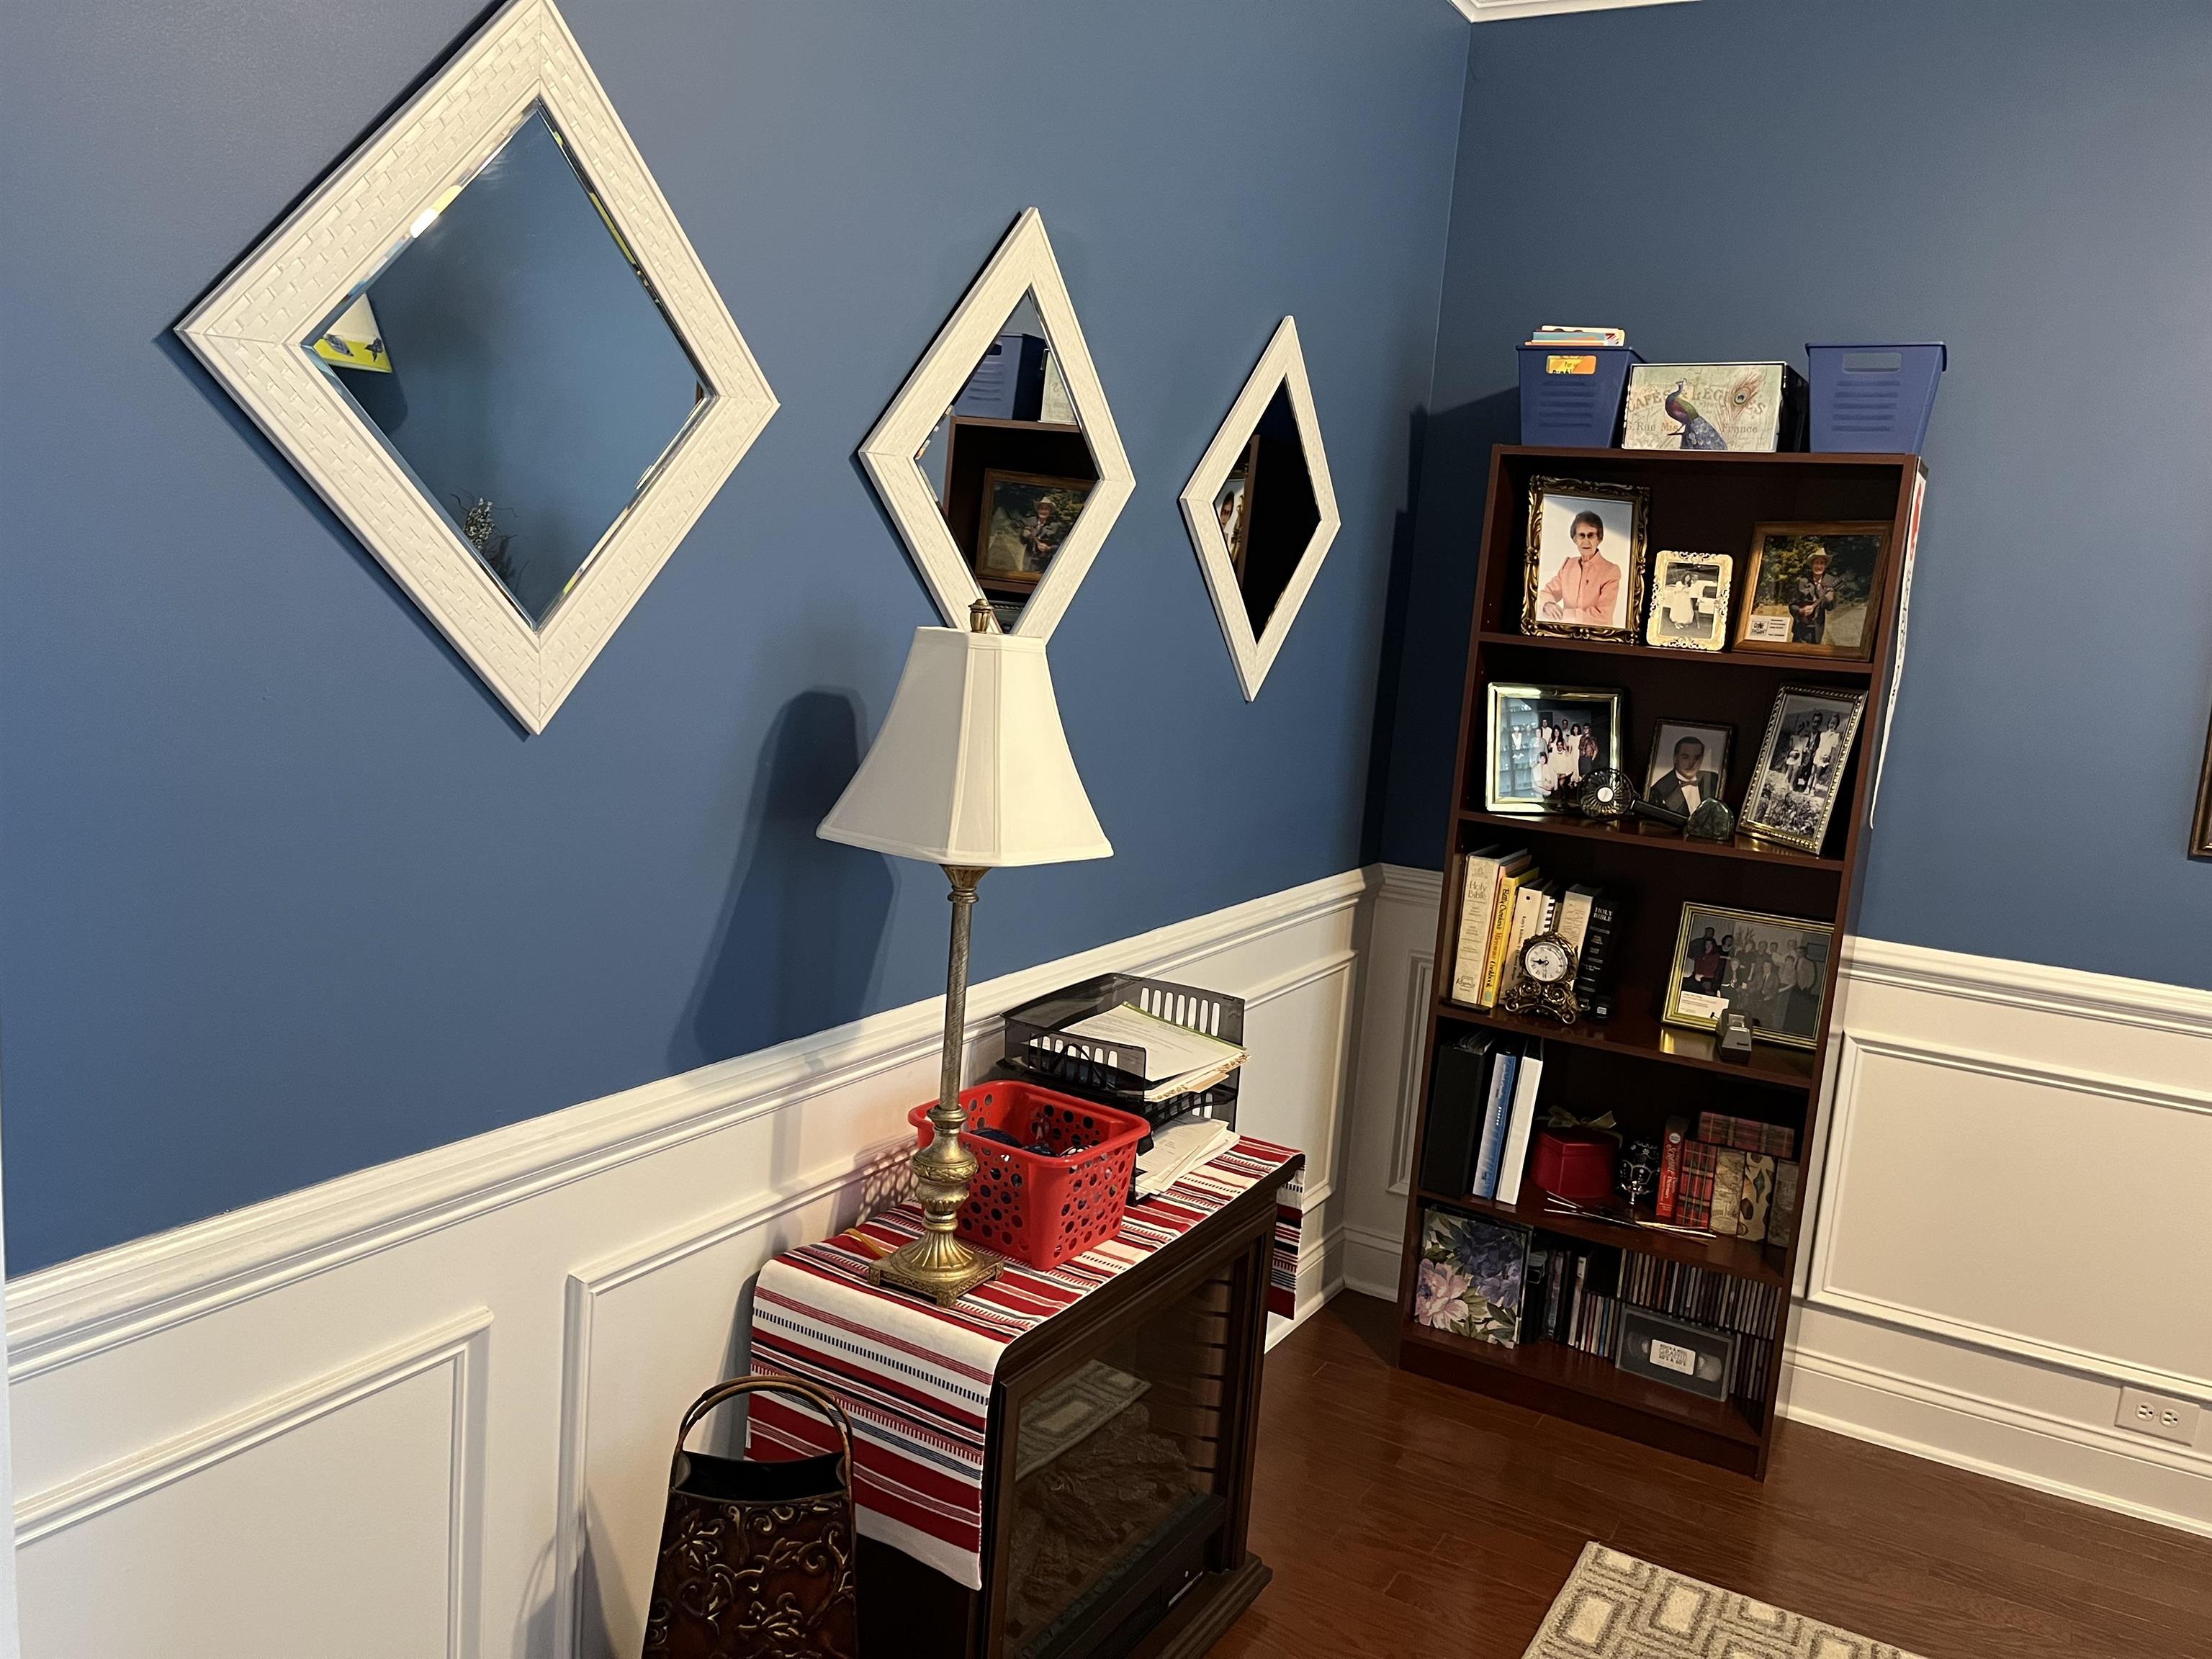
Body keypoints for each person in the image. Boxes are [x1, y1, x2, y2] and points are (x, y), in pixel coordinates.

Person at [1538, 509, 1622, 628]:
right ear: (1575, 539)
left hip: (1596, 639)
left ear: (1599, 539)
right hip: (1565, 634)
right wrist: (1548, 605)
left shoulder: (1611, 571)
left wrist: (1565, 616)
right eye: (1581, 536)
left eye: (1591, 536)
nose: (1586, 541)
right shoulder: (1568, 565)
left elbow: (1603, 616)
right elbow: (1547, 592)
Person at [1648, 734, 1721, 815]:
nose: (1691, 764)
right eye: (1685, 757)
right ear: (1675, 758)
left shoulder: (1713, 779)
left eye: (1696, 758)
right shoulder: (1659, 790)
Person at [1788, 549, 1837, 644]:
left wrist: (1830, 600)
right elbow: (1791, 606)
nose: (1819, 566)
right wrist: (1801, 611)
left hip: (1818, 630)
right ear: (1812, 565)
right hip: (1801, 629)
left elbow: (1830, 608)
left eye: (1822, 563)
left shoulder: (1830, 581)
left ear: (1825, 565)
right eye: (1816, 563)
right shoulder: (1802, 582)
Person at [1782, 952, 1822, 1036]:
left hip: (1801, 987)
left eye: (1801, 952)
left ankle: (1796, 1024)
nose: (1799, 953)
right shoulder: (1792, 960)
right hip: (1790, 986)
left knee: (1799, 1005)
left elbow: (1812, 976)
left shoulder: (1809, 963)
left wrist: (1807, 987)